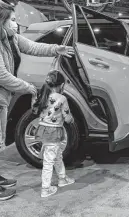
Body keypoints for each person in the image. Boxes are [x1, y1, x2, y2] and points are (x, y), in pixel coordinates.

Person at [0, 3, 74, 201]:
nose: (16, 23)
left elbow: (33, 47)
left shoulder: (10, 37)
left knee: (0, 139)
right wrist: (29, 87)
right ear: (0, 21)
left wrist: (57, 49)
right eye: (12, 20)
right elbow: (1, 75)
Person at [32, 70, 75, 198]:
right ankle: (45, 188)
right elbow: (67, 118)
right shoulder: (62, 98)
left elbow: (34, 110)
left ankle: (62, 178)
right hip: (54, 131)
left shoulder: (43, 95)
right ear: (61, 85)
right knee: (49, 160)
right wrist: (71, 119)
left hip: (43, 129)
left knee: (57, 155)